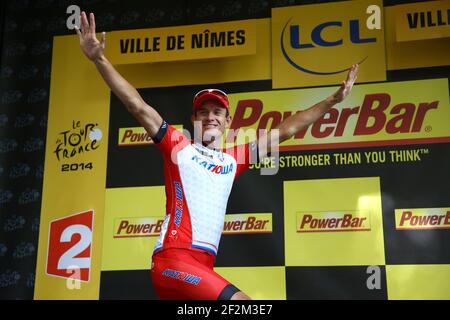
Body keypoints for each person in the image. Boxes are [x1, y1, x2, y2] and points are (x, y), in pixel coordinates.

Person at [75, 11, 359, 300]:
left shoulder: (232, 160)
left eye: (217, 112)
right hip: (174, 260)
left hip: (203, 266)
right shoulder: (178, 146)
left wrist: (333, 100)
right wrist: (99, 59)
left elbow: (287, 129)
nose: (210, 117)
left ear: (227, 121)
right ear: (194, 119)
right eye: (203, 111)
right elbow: (137, 105)